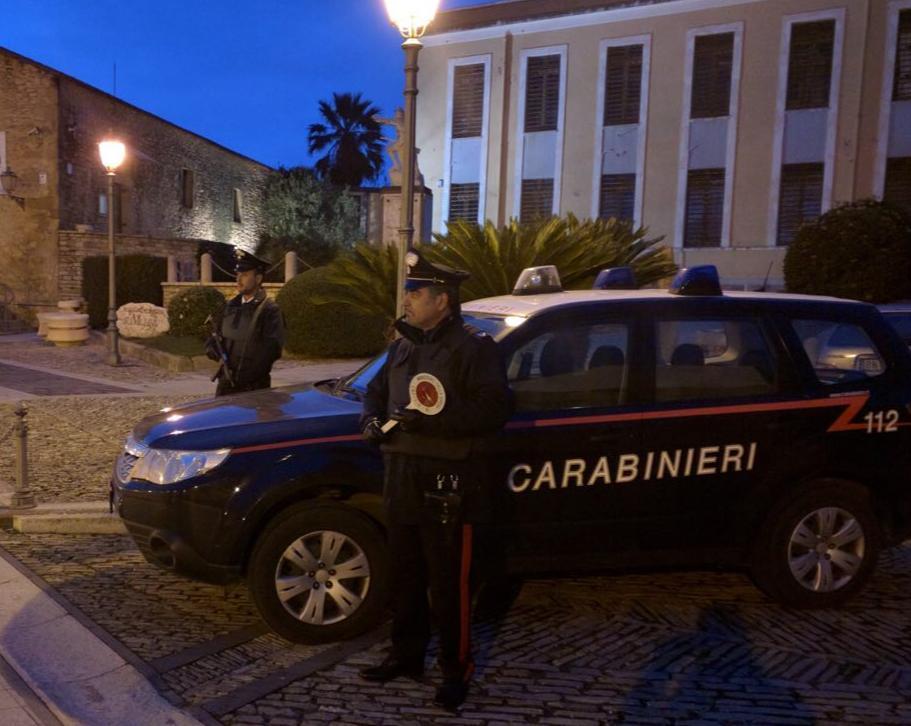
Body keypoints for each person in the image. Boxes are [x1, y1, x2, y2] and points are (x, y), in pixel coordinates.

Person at [358, 248, 512, 711]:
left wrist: (434, 423)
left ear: (442, 299)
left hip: (449, 481)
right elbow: (376, 392)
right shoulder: (403, 344)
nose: (407, 299)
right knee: (405, 577)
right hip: (402, 474)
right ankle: (406, 656)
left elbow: (495, 409)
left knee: (448, 585)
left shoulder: (474, 347)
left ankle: (455, 670)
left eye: (415, 292)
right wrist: (368, 422)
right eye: (408, 291)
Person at [205, 248, 284, 396]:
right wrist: (212, 348)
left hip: (253, 388)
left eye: (245, 275)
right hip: (226, 382)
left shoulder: (269, 310)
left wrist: (245, 376)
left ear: (258, 278)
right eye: (238, 274)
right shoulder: (229, 306)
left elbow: (271, 350)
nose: (239, 279)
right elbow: (215, 336)